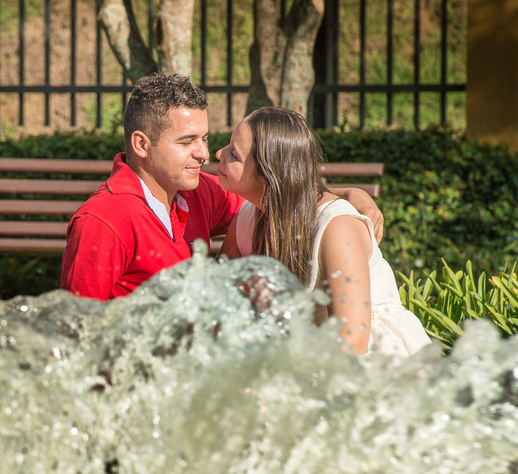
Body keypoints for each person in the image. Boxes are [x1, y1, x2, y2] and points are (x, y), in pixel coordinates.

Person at [60, 72, 384, 302]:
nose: (203, 153)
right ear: (142, 144)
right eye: (187, 141)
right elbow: (76, 333)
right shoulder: (103, 222)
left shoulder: (197, 191)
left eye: (204, 138)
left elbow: (276, 191)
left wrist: (348, 195)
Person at [215, 106, 431, 356]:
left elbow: (350, 344)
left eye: (234, 154)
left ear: (266, 176)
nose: (219, 153)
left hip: (375, 360)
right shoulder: (248, 217)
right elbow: (218, 300)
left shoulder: (337, 228)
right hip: (307, 352)